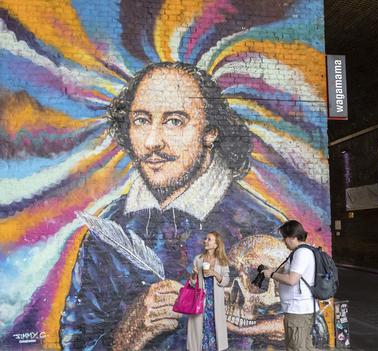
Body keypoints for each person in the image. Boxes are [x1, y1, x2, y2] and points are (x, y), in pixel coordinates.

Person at [60, 62, 281, 350]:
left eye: (174, 121)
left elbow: (308, 327)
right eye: (141, 120)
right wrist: (126, 336)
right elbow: (74, 341)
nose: (152, 141)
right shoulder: (107, 232)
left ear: (210, 132)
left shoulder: (261, 228)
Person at [261, 220, 316, 351]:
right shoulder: (301, 251)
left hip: (298, 310)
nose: (283, 241)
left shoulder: (301, 253)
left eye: (284, 237)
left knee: (295, 348)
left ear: (293, 236)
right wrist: (272, 270)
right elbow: (291, 273)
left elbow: (292, 280)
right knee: (305, 347)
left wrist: (271, 275)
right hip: (298, 309)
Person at [187, 232, 230, 351]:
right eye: (206, 239)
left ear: (216, 244)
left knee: (214, 334)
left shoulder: (222, 261)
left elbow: (226, 281)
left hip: (215, 304)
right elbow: (192, 284)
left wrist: (214, 273)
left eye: (209, 239)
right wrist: (194, 274)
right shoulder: (198, 259)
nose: (205, 241)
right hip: (200, 302)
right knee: (200, 335)